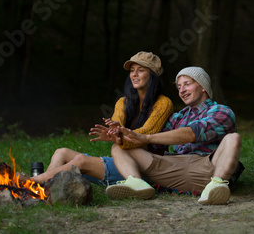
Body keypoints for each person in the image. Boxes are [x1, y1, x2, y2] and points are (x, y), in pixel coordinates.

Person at [105, 66, 242, 205]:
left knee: (233, 138)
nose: (182, 90)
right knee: (119, 147)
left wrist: (147, 138)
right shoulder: (178, 117)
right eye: (179, 87)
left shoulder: (221, 111)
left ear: (203, 87)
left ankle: (216, 186)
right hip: (173, 168)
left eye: (187, 84)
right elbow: (154, 143)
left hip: (207, 168)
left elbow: (192, 133)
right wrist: (120, 136)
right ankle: (136, 183)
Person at [32, 52, 174, 185]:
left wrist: (119, 139)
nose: (134, 75)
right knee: (61, 152)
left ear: (153, 75)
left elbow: (145, 134)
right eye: (132, 70)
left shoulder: (163, 103)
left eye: (141, 70)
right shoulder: (123, 102)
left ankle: (34, 182)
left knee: (81, 160)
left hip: (147, 168)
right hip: (125, 161)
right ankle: (44, 188)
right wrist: (115, 130)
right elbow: (117, 120)